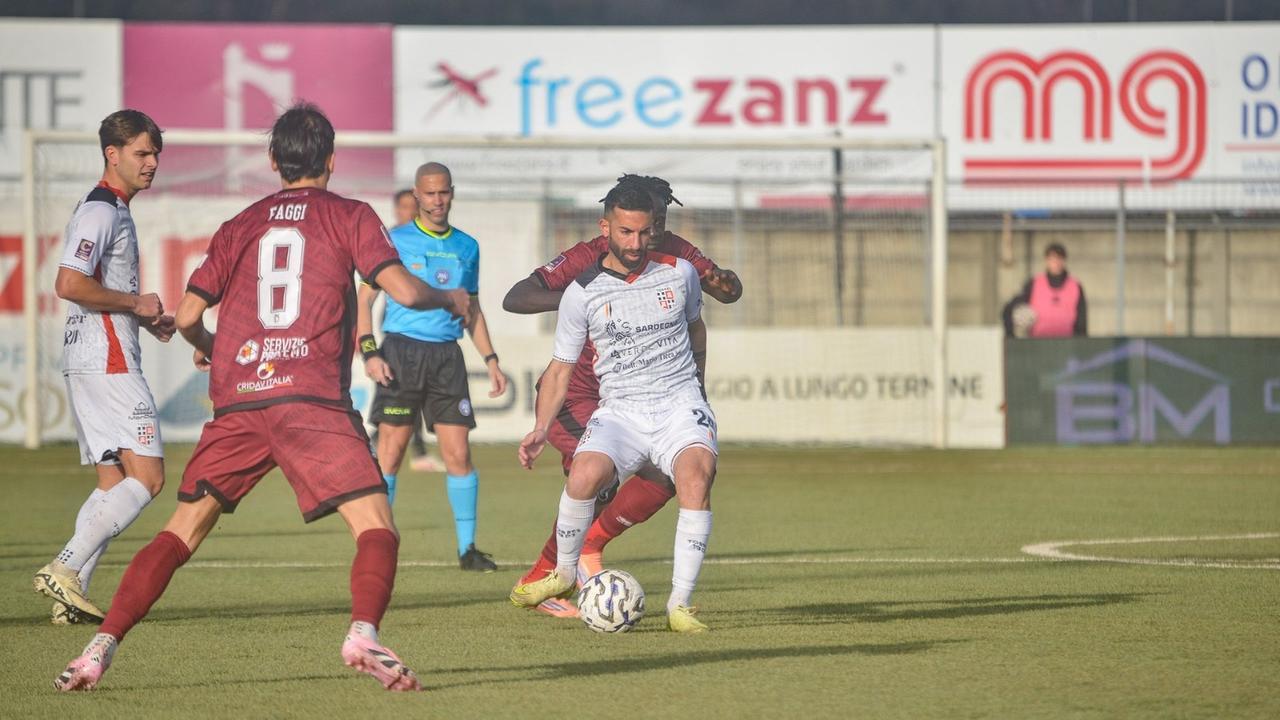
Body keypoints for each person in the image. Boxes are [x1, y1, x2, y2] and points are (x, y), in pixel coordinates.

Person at [52, 103, 470, 693]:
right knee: (377, 526)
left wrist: (212, 347)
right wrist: (448, 300)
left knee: (180, 532)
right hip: (312, 400)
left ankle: (99, 648)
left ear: (274, 161)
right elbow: (399, 287)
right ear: (330, 158)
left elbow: (191, 315)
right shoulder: (350, 215)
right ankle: (362, 632)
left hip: (241, 400)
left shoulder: (240, 223)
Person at [504, 174, 741, 618]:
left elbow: (719, 296)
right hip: (580, 393)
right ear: (612, 225)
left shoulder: (676, 254)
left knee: (669, 477)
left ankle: (590, 549)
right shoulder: (590, 259)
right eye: (638, 225)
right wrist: (590, 299)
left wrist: (725, 283)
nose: (648, 234)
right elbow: (515, 298)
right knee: (596, 480)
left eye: (658, 221)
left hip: (655, 395)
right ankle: (545, 576)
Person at [34, 109, 175, 626]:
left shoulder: (112, 209)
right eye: (142, 152)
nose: (152, 162)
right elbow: (68, 284)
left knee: (114, 482)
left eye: (155, 152)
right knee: (150, 478)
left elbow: (92, 291)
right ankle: (65, 566)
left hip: (91, 356)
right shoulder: (102, 211)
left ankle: (71, 596)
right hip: (107, 360)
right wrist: (137, 305)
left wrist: (145, 317)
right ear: (111, 154)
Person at [357, 162, 506, 572]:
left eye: (444, 192)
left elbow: (471, 309)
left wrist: (491, 360)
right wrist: (369, 352)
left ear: (452, 193)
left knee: (458, 454)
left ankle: (468, 549)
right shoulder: (394, 240)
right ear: (417, 196)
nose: (437, 200)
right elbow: (364, 299)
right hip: (401, 353)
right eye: (430, 193)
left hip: (447, 358)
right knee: (390, 453)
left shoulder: (468, 246)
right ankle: (378, 546)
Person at [390, 188, 446, 474]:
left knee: (413, 395)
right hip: (398, 333)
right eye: (402, 207)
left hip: (427, 331)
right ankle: (415, 451)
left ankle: (415, 450)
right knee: (399, 395)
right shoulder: (387, 241)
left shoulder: (428, 241)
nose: (407, 212)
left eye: (411, 207)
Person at [1002, 242, 1087, 338]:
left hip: (1067, 344)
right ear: (1046, 260)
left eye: (1059, 258)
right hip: (1038, 344)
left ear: (1064, 261)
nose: (1056, 263)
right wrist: (1010, 336)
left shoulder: (1075, 286)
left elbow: (1082, 320)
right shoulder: (1034, 284)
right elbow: (1009, 309)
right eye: (1052, 259)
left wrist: (1081, 344)